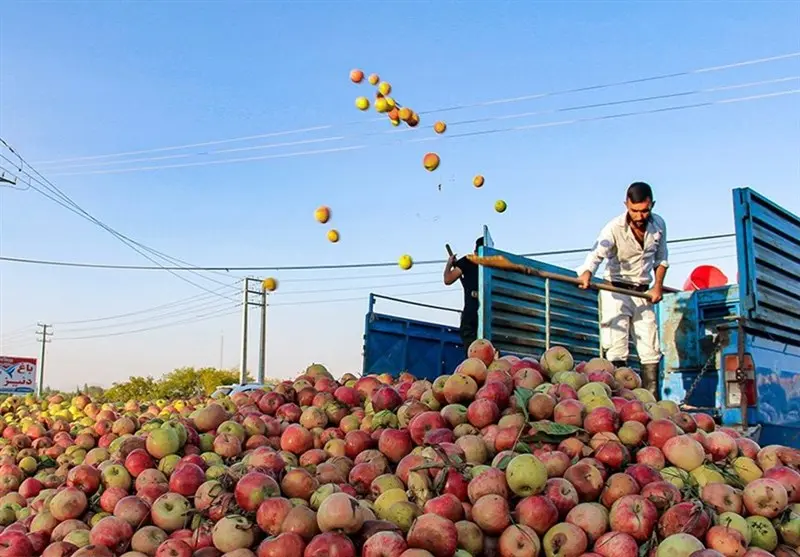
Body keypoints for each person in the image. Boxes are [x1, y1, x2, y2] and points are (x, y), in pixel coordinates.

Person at [576, 182, 668, 397]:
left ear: (652, 205)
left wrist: (658, 286)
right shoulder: (613, 227)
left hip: (643, 292)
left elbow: (661, 259)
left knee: (650, 349)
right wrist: (587, 272)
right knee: (616, 346)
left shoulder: (659, 225)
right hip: (615, 291)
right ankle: (619, 399)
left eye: (645, 210)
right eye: (635, 210)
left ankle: (652, 402)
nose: (640, 216)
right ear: (626, 204)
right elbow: (596, 253)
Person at [444, 237, 483, 357]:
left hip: (471, 317)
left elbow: (447, 279)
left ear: (475, 251)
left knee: (472, 357)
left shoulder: (468, 260)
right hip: (482, 317)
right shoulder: (493, 265)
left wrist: (449, 264)